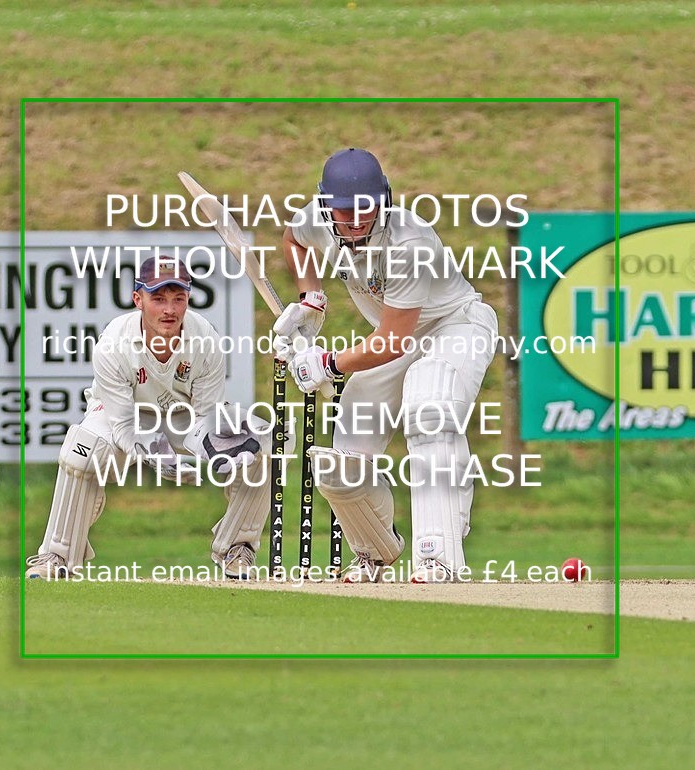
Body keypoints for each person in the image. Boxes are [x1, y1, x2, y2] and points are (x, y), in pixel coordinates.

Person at [273, 148, 498, 583]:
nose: (356, 219)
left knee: (429, 409)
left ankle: (440, 555)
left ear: (384, 200)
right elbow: (293, 240)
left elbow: (393, 339)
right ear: (325, 206)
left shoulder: (409, 242)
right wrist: (310, 297)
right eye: (345, 209)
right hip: (394, 335)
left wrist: (328, 363)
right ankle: (374, 551)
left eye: (366, 208)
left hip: (454, 327)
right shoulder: (316, 220)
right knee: (342, 459)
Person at [26, 256, 271, 581]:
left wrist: (214, 454)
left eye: (178, 299)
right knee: (82, 451)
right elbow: (124, 426)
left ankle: (237, 550)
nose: (169, 309)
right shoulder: (113, 344)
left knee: (263, 442)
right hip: (123, 417)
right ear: (138, 299)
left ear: (188, 299)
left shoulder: (206, 340)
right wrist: (159, 460)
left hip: (181, 417)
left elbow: (205, 418)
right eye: (158, 299)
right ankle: (56, 556)